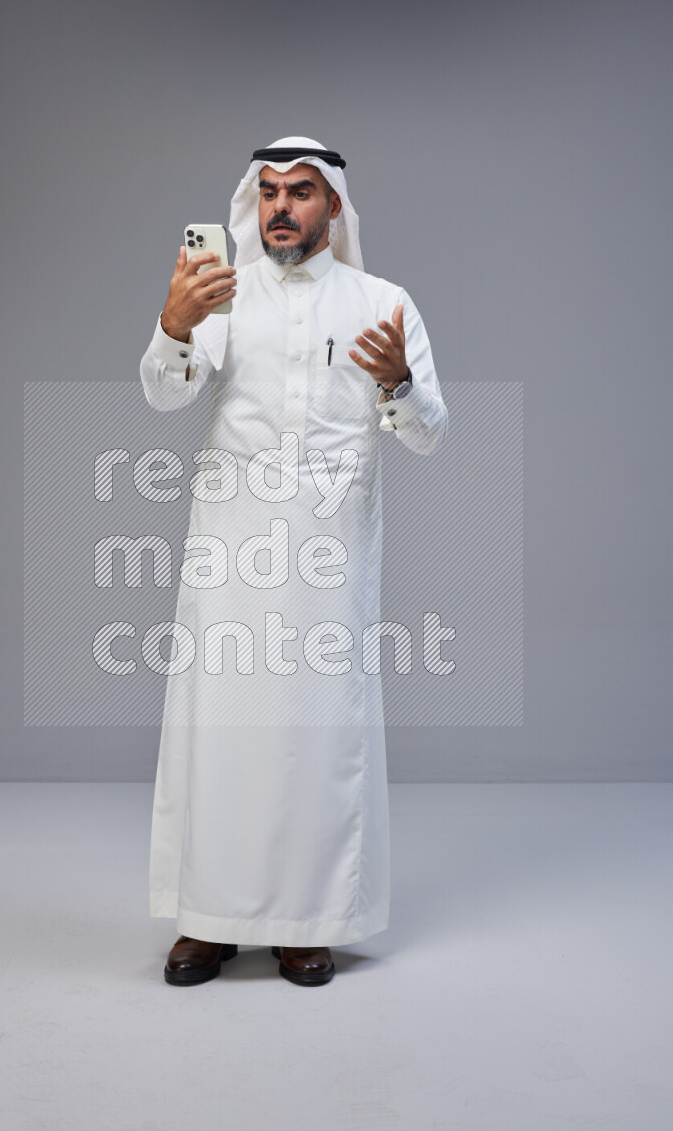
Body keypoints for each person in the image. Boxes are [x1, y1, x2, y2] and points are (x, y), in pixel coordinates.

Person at [139, 136, 448, 987]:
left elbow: (429, 434)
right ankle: (208, 919)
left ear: (334, 207)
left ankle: (306, 920)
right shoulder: (220, 297)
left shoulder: (383, 301)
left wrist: (398, 387)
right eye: (268, 190)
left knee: (316, 737)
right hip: (229, 550)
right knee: (221, 731)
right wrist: (173, 323)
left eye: (301, 191)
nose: (281, 205)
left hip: (329, 558)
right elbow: (165, 392)